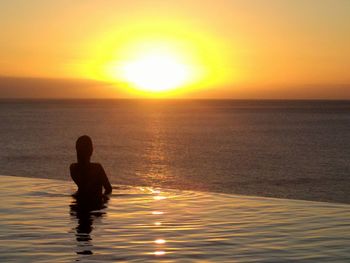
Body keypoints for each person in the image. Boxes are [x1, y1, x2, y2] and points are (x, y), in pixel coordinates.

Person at [70, 135, 112, 206]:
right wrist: (103, 201)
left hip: (79, 199)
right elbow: (108, 189)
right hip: (95, 202)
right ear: (91, 151)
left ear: (77, 150)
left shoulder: (73, 168)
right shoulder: (97, 168)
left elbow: (83, 187)